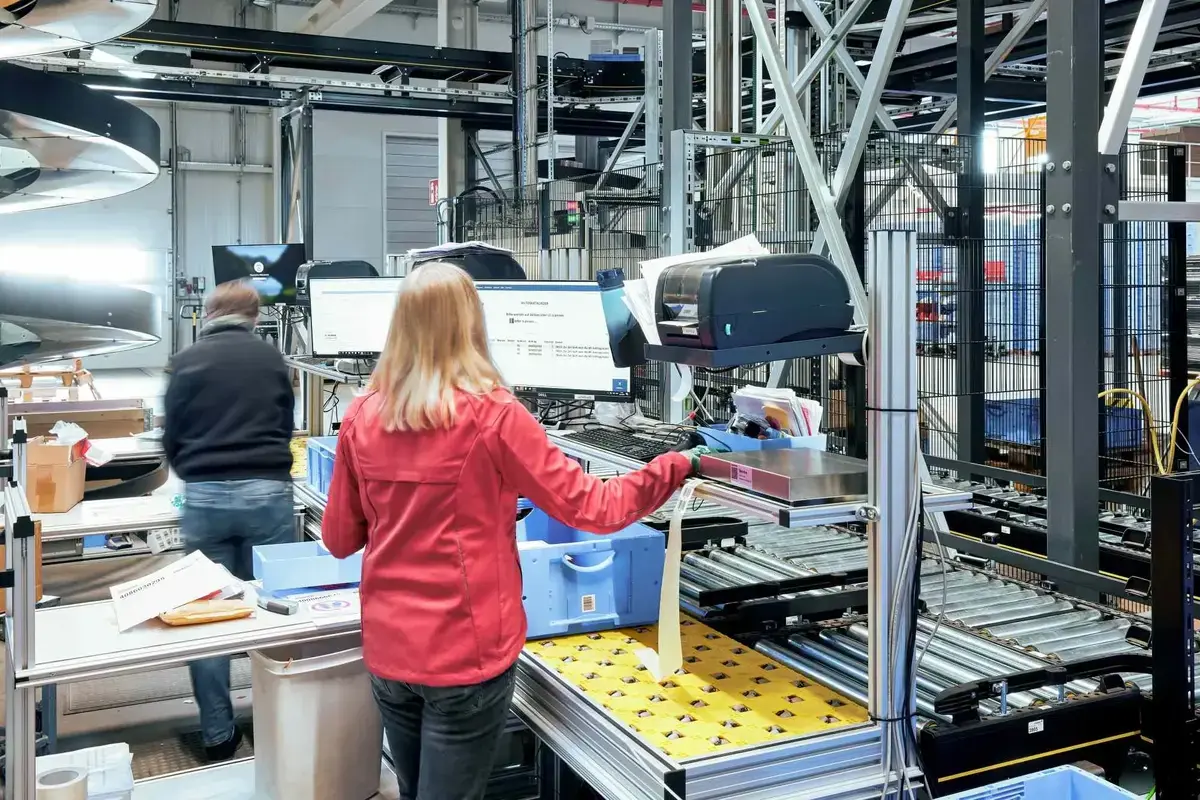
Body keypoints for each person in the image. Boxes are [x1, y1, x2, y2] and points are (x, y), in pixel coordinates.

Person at [322, 261, 708, 800]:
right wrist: (677, 466)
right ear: (472, 325)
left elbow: (339, 539)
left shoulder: (362, 415)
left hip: (389, 652)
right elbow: (594, 508)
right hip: (465, 653)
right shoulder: (494, 417)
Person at [162, 280, 296, 761]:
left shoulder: (186, 360)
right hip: (268, 492)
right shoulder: (270, 360)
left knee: (204, 615)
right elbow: (286, 423)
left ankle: (217, 734)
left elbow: (171, 434)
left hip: (206, 497)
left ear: (209, 313)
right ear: (255, 317)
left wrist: (196, 474)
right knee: (277, 608)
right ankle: (284, 723)